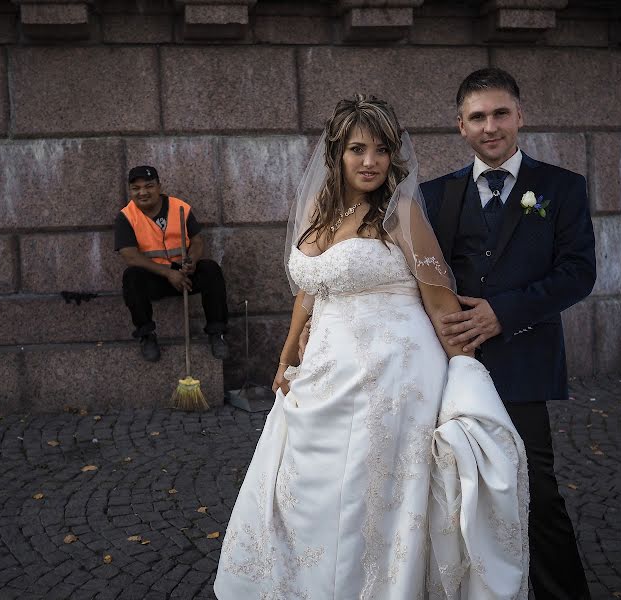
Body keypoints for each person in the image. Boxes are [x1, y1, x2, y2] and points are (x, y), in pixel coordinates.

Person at [214, 96, 530, 599]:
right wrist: (286, 353)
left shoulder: (401, 214)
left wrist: (464, 378)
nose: (370, 162)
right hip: (322, 373)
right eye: (358, 149)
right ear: (337, 154)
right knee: (307, 493)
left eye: (381, 150)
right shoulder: (319, 214)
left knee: (372, 496)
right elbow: (310, 288)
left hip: (394, 376)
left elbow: (441, 303)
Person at [420, 68, 595, 600]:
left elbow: (577, 273)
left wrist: (504, 312)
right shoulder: (434, 195)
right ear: (460, 126)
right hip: (448, 369)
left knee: (536, 493)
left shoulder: (562, 188)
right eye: (477, 117)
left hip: (523, 364)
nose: (490, 126)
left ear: (520, 115)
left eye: (500, 114)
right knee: (451, 491)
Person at [114, 165, 229, 362]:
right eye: (136, 188)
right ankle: (146, 335)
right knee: (131, 277)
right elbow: (130, 255)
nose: (143, 192)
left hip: (185, 273)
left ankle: (217, 333)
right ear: (130, 191)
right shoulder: (126, 217)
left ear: (159, 186)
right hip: (156, 276)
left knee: (210, 269)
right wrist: (168, 273)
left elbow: (198, 240)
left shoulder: (180, 208)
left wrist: (191, 261)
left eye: (149, 186)